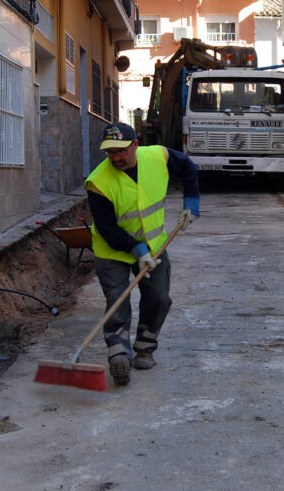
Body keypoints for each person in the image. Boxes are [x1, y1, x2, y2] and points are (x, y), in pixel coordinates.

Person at [85, 122, 200, 386]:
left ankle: (145, 347)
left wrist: (191, 203)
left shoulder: (158, 156)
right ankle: (118, 354)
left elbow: (188, 167)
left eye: (121, 151)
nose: (115, 158)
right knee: (117, 298)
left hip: (154, 243)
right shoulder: (98, 182)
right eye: (110, 152)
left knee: (159, 297)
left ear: (135, 145)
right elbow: (107, 228)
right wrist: (137, 251)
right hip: (112, 250)